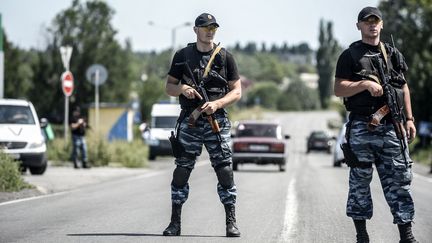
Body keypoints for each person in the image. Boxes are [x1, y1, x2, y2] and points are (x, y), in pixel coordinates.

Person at [334, 7, 417, 243]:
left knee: (400, 181)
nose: (372, 25)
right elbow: (339, 88)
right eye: (367, 21)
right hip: (363, 127)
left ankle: (406, 235)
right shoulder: (350, 55)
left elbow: (404, 88)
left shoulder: (392, 54)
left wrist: (409, 119)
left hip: (392, 127)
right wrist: (364, 85)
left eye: (376, 21)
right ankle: (361, 235)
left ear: (381, 25)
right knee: (360, 182)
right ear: (358, 25)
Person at [163, 13, 242, 237]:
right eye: (206, 27)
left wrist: (217, 104)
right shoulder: (182, 56)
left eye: (213, 28)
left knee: (224, 170)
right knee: (182, 170)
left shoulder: (225, 57)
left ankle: (231, 221)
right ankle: (175, 223)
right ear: (196, 30)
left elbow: (236, 91)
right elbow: (169, 86)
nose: (210, 31)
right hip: (191, 120)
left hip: (216, 120)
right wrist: (182, 89)